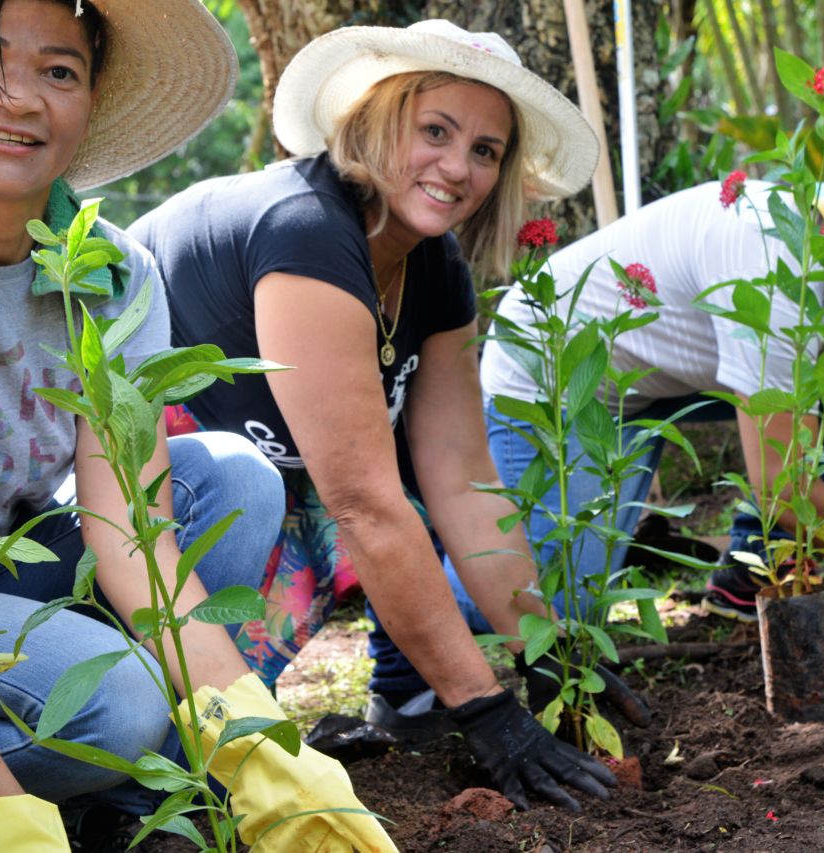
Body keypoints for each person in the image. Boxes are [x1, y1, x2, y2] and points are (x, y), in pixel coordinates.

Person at [0, 1, 394, 850]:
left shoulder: (111, 278)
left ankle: (134, 806)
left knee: (233, 481)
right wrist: (0, 820)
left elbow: (137, 544)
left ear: (90, 98)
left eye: (57, 71)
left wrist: (266, 754)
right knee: (117, 703)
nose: (18, 97)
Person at [132, 19, 628, 812]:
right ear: (376, 120)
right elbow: (361, 503)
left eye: (486, 150)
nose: (458, 167)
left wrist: (546, 647)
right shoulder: (307, 230)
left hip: (250, 485)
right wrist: (487, 709)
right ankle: (142, 747)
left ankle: (177, 744)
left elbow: (464, 480)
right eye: (436, 131)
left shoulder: (434, 270)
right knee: (339, 524)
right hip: (124, 491)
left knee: (379, 516)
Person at [472, 141, 824, 645]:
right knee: (554, 595)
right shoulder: (781, 266)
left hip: (665, 370)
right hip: (556, 367)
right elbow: (783, 482)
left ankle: (752, 573)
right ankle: (410, 594)